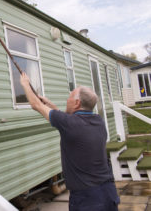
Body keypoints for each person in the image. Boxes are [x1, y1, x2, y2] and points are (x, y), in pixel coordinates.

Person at [20, 72, 120, 211]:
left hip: (88, 199)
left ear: (77, 103)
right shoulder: (98, 121)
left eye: (70, 97)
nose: (67, 100)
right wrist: (50, 105)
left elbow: (35, 105)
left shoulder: (70, 124)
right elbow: (68, 120)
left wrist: (25, 84)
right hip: (109, 192)